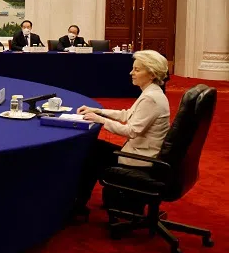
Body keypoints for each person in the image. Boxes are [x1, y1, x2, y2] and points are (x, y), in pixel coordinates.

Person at [72, 50, 171, 215]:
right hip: (143, 153)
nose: (131, 73)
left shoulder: (150, 98)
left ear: (152, 74)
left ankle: (78, 205)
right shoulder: (152, 92)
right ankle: (79, 202)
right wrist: (97, 111)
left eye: (137, 70)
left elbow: (131, 131)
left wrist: (101, 120)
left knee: (92, 154)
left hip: (141, 160)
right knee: (95, 147)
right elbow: (127, 115)